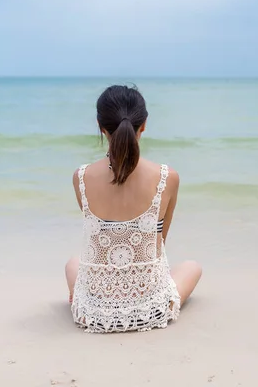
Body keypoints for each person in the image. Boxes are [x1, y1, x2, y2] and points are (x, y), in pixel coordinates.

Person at [64, 85, 202, 333]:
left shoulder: (81, 177)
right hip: (150, 310)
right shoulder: (167, 177)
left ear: (100, 126)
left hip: (95, 314)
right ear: (144, 124)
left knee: (72, 264)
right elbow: (160, 241)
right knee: (193, 267)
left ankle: (83, 301)